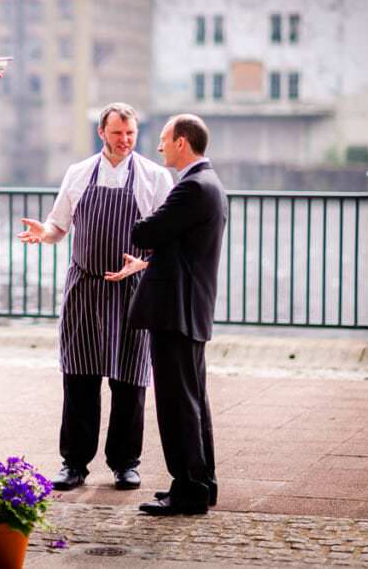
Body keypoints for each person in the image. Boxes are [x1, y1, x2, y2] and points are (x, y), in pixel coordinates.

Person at [18, 102, 173, 492]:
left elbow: (167, 241)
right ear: (102, 133)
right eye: (118, 133)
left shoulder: (154, 177)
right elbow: (59, 226)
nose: (125, 141)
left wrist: (142, 264)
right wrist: (45, 232)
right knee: (79, 379)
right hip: (85, 288)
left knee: (129, 382)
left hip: (133, 291)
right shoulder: (78, 173)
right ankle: (74, 464)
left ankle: (125, 464)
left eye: (131, 134)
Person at [111, 114, 227, 516]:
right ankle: (202, 483)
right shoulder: (210, 185)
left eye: (163, 139)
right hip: (190, 307)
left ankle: (188, 490)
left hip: (175, 311)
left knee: (178, 404)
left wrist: (149, 230)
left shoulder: (191, 187)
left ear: (182, 141)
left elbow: (144, 233)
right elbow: (180, 247)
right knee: (193, 401)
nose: (158, 147)